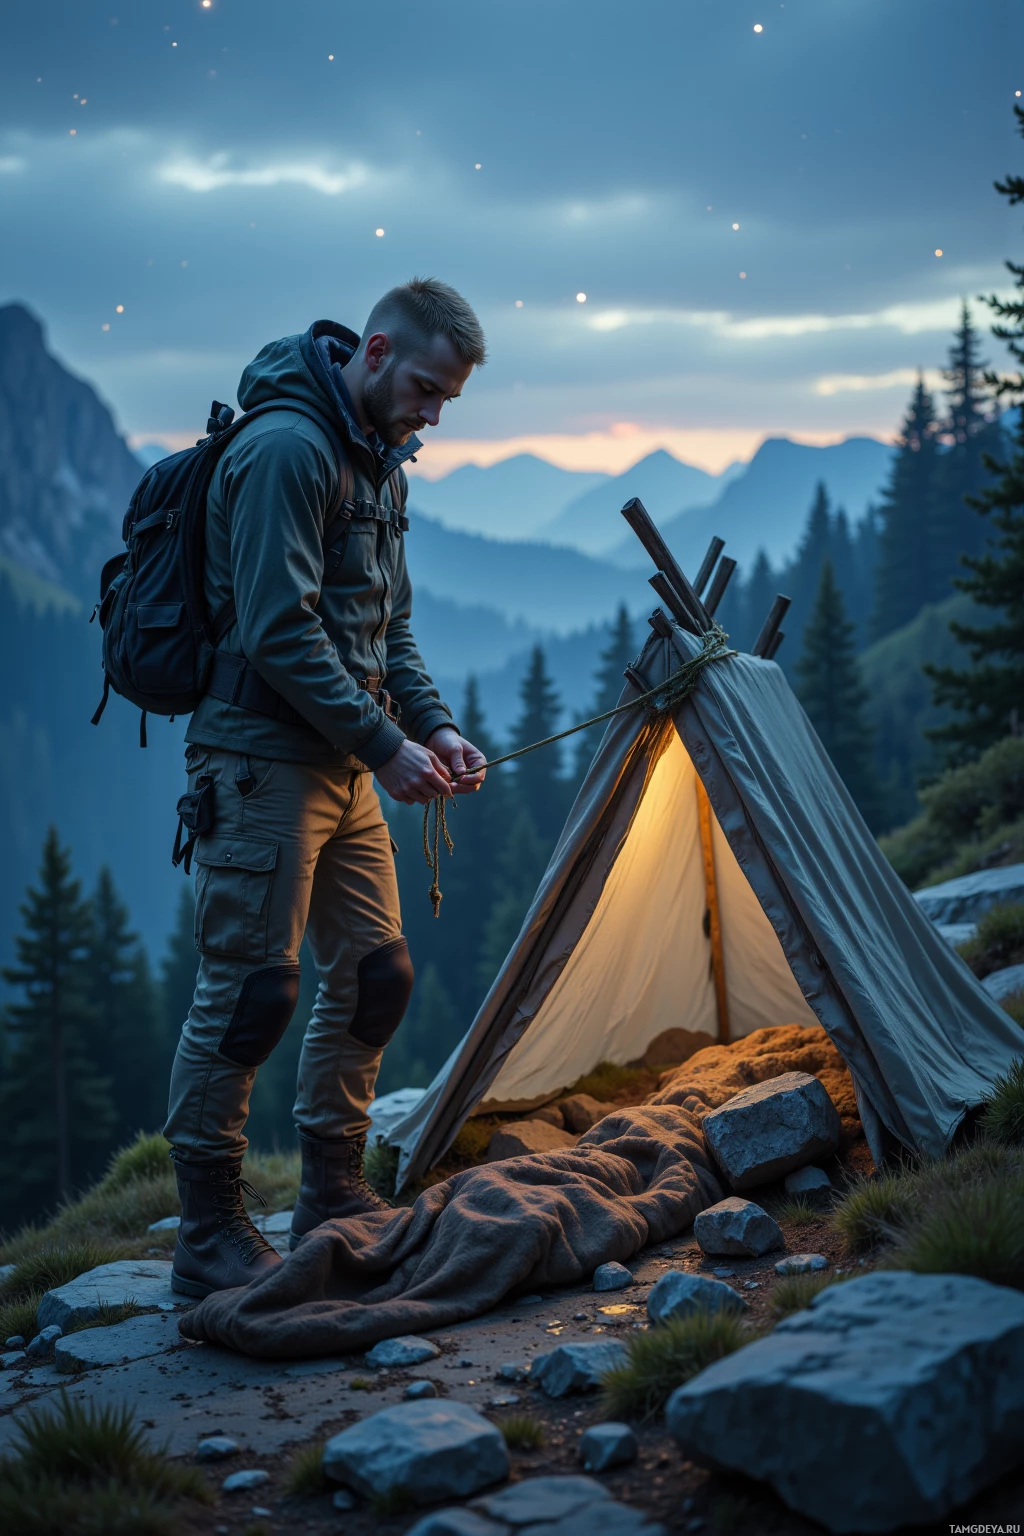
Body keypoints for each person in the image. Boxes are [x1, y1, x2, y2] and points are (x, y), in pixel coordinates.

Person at [163, 278, 488, 1298]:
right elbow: (276, 631)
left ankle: (331, 1192)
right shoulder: (287, 450)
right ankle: (207, 1232)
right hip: (258, 761)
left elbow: (385, 630)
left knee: (378, 975)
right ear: (378, 351)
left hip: (347, 760)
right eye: (427, 389)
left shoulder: (379, 465)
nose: (433, 415)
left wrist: (430, 726)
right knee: (252, 990)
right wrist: (388, 745)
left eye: (448, 401)